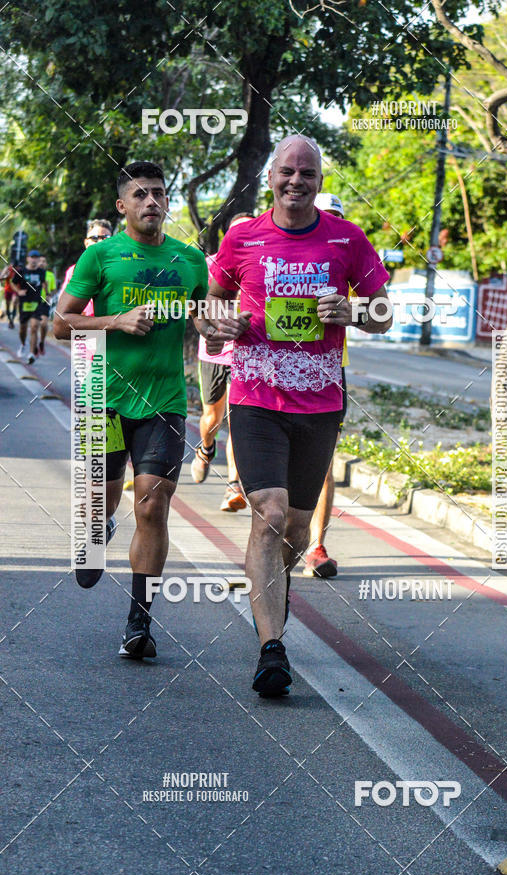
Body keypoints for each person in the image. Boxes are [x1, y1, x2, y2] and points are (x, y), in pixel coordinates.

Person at [204, 135, 391, 696]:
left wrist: (353, 310)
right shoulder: (242, 237)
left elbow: (384, 313)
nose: (296, 181)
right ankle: (271, 648)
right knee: (269, 511)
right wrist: (217, 324)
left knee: (298, 527)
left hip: (320, 403)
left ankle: (269, 601)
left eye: (307, 173)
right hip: (256, 398)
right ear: (271, 179)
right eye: (287, 171)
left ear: (319, 181)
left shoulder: (346, 238)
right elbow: (209, 303)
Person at [54, 161, 208, 659]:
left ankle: (139, 623)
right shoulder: (101, 256)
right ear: (122, 206)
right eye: (139, 195)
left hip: (164, 402)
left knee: (152, 504)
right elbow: (61, 324)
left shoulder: (190, 260)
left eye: (158, 194)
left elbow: (207, 316)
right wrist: (117, 321)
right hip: (105, 400)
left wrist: (216, 326)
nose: (150, 202)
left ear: (168, 202)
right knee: (101, 500)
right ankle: (96, 527)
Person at [191, 213, 254, 513]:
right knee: (212, 420)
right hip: (214, 351)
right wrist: (207, 330)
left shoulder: (261, 263)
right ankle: (206, 448)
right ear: (227, 237)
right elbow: (198, 306)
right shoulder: (209, 265)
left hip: (246, 353)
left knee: (236, 419)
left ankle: (233, 485)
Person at [303, 193, 349, 578]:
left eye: (337, 217)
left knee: (323, 466)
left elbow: (379, 309)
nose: (330, 224)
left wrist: (358, 311)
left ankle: (316, 546)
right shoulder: (282, 248)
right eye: (325, 216)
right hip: (272, 377)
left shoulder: (348, 249)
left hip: (330, 374)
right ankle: (283, 536)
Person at [60, 219, 113, 317]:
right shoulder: (73, 270)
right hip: (86, 328)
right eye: (95, 238)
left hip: (114, 327)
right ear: (86, 243)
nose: (100, 241)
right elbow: (63, 307)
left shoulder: (120, 268)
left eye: (106, 237)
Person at [11, 250, 47, 364]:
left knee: (35, 326)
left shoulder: (42, 272)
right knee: (22, 329)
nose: (34, 259)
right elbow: (12, 282)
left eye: (36, 257)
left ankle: (31, 354)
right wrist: (18, 291)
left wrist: (48, 294)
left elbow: (43, 284)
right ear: (28, 259)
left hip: (37, 304)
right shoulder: (21, 271)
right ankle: (23, 344)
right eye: (32, 257)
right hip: (24, 304)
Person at [37, 255, 56, 354]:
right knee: (34, 324)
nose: (41, 263)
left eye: (43, 261)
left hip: (44, 302)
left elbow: (53, 289)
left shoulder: (50, 275)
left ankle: (42, 341)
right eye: (39, 261)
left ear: (46, 264)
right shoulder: (32, 273)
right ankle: (33, 345)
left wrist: (49, 295)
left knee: (44, 324)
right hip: (33, 302)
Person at [1, 263, 18, 328]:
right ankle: (9, 319)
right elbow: (1, 278)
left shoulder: (19, 270)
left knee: (14, 302)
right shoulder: (7, 269)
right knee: (8, 305)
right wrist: (6, 275)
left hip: (16, 290)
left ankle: (12, 320)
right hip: (8, 290)